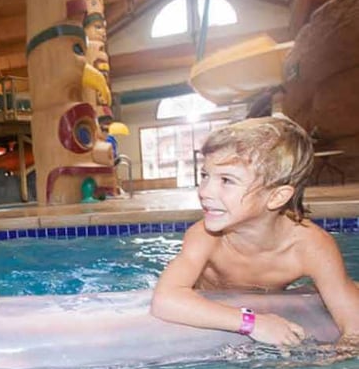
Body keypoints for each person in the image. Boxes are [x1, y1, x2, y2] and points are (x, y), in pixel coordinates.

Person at [151, 116, 359, 346]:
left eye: (226, 180)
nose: (204, 191)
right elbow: (165, 300)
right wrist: (253, 323)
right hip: (213, 305)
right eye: (205, 175)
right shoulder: (205, 237)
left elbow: (353, 326)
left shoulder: (311, 246)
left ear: (276, 196)